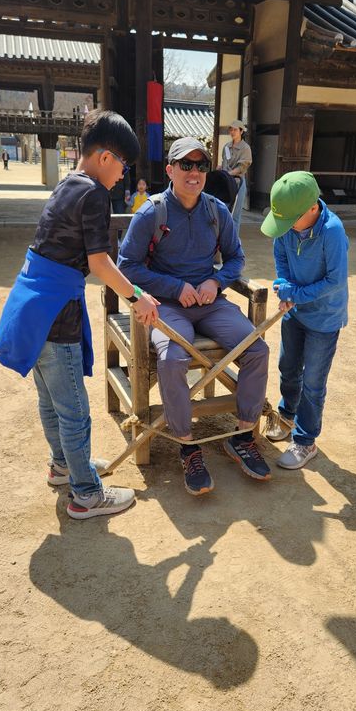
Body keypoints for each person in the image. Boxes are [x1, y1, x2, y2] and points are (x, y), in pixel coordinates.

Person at [0, 110, 160, 520]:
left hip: (32, 309)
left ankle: (64, 467)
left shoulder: (69, 183)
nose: (123, 174)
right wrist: (138, 296)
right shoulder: (95, 195)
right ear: (105, 157)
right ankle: (86, 494)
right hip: (56, 314)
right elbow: (100, 264)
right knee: (73, 409)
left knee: (50, 400)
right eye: (123, 164)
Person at [118, 136, 270, 497]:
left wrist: (216, 281)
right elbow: (127, 266)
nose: (194, 172)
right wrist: (173, 287)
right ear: (170, 170)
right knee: (172, 358)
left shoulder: (217, 211)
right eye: (185, 164)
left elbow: (235, 258)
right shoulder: (151, 213)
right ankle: (187, 445)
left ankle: (242, 434)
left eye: (201, 166)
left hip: (210, 302)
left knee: (257, 350)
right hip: (166, 305)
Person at [261, 171, 348, 469]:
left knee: (313, 382)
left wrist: (294, 293)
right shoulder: (286, 226)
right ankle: (287, 414)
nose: (284, 228)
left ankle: (305, 440)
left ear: (312, 208)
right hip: (295, 311)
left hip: (324, 318)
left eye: (289, 221)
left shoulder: (332, 231)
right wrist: (284, 286)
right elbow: (281, 258)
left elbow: (335, 280)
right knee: (288, 367)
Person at [220, 120, 252, 234]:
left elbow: (242, 167)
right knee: (223, 212)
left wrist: (228, 174)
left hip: (238, 182)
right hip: (224, 183)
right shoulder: (226, 147)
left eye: (235, 130)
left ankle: (233, 242)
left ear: (241, 131)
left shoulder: (245, 148)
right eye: (231, 129)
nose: (232, 132)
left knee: (235, 215)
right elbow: (224, 162)